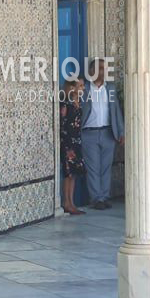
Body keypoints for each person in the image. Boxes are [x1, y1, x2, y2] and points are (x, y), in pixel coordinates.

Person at [80, 58, 125, 210]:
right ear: (92, 71)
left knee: (106, 167)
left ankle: (104, 196)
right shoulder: (84, 88)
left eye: (104, 69)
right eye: (100, 69)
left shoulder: (110, 88)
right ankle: (96, 198)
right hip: (89, 134)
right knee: (93, 168)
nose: (103, 72)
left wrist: (121, 132)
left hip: (108, 132)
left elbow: (116, 111)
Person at [60, 78, 86, 215]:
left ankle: (71, 202)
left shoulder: (79, 102)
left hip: (76, 141)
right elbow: (62, 123)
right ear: (73, 87)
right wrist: (67, 142)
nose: (83, 88)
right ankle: (66, 202)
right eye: (80, 86)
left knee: (74, 172)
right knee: (68, 172)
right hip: (68, 142)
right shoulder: (66, 103)